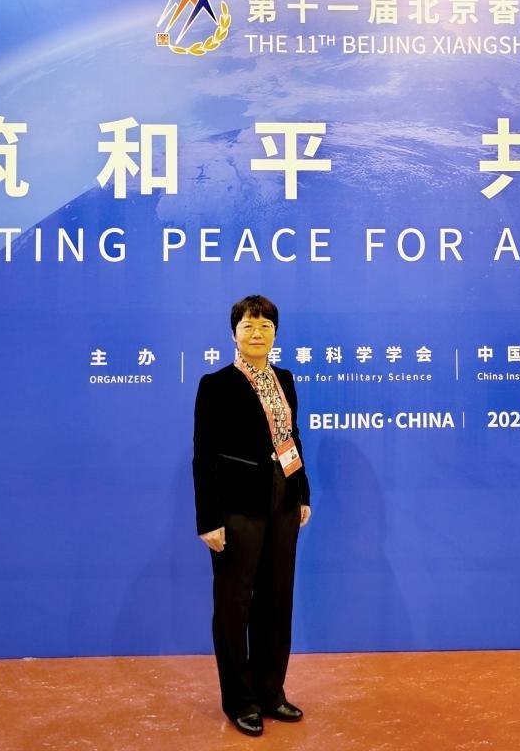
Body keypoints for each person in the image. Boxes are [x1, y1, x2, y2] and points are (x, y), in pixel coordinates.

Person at [192, 295, 312, 737]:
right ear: (234, 334)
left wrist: (302, 492)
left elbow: (292, 437)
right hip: (236, 508)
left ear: (275, 334)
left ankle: (270, 692)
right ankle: (240, 701)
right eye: (248, 326)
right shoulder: (216, 384)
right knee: (234, 605)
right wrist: (208, 519)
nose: (257, 333)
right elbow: (203, 456)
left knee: (277, 600)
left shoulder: (285, 378)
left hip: (283, 502)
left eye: (265, 327)